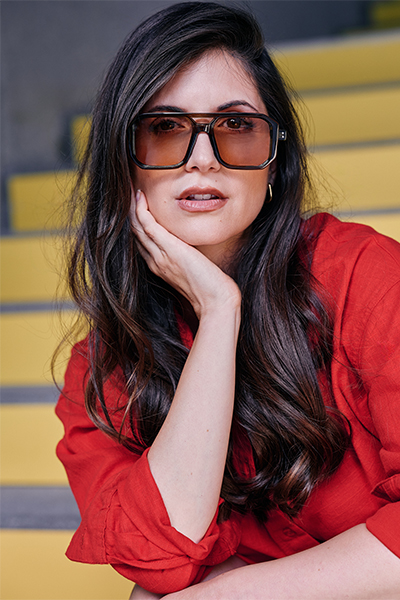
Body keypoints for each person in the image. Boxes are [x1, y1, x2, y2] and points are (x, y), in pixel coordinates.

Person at [55, 2, 400, 598]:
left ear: (275, 162)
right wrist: (219, 312)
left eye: (237, 126)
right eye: (165, 128)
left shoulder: (363, 276)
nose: (203, 158)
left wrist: (228, 595)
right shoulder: (102, 366)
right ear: (124, 166)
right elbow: (160, 558)